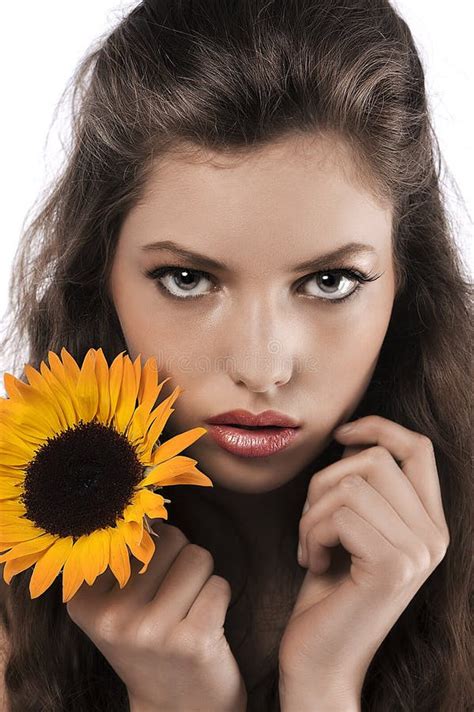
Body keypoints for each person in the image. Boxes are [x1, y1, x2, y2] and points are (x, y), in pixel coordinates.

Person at [0, 0, 472, 710]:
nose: (261, 366)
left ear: (410, 281)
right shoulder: (13, 608)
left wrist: (324, 686)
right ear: (98, 279)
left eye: (329, 281)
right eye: (188, 280)